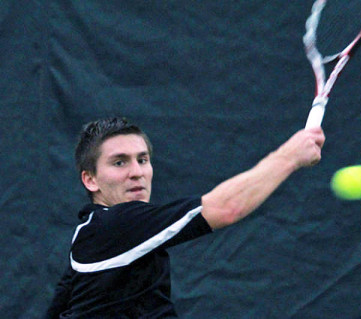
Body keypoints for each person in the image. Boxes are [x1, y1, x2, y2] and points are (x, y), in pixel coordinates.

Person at [46, 117, 325, 318]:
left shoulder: (90, 232)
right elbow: (227, 208)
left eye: (142, 160)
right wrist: (290, 156)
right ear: (90, 180)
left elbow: (61, 302)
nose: (137, 172)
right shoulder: (114, 225)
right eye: (120, 162)